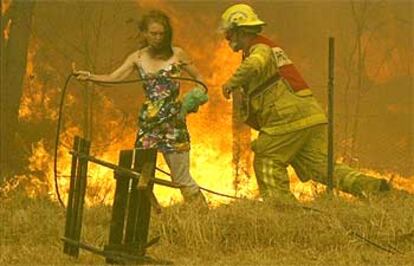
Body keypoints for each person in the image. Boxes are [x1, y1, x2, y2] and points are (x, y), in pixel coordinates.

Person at [219, 3, 390, 203]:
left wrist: (231, 83)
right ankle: (373, 188)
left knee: (267, 156)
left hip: (288, 118)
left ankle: (281, 208)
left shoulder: (260, 48)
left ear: (241, 30)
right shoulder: (268, 48)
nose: (227, 39)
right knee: (319, 167)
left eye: (229, 34)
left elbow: (255, 64)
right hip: (310, 116)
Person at [73, 10, 208, 204]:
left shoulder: (177, 54)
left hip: (174, 122)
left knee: (181, 179)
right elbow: (114, 78)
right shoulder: (136, 58)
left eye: (162, 34)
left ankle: (202, 216)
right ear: (144, 33)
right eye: (153, 33)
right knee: (142, 176)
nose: (158, 38)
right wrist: (90, 77)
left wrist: (193, 100)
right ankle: (147, 216)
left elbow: (200, 79)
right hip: (149, 124)